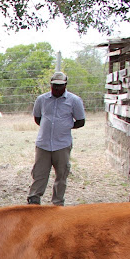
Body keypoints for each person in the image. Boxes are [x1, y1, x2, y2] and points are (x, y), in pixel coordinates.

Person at [27, 71, 86, 206]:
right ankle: (34, 200)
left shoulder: (74, 100)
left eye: (60, 86)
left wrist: (65, 127)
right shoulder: (42, 99)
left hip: (62, 144)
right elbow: (38, 118)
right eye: (54, 86)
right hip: (43, 144)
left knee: (61, 175)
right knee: (39, 174)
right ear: (50, 85)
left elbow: (81, 121)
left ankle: (58, 202)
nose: (57, 89)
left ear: (65, 85)